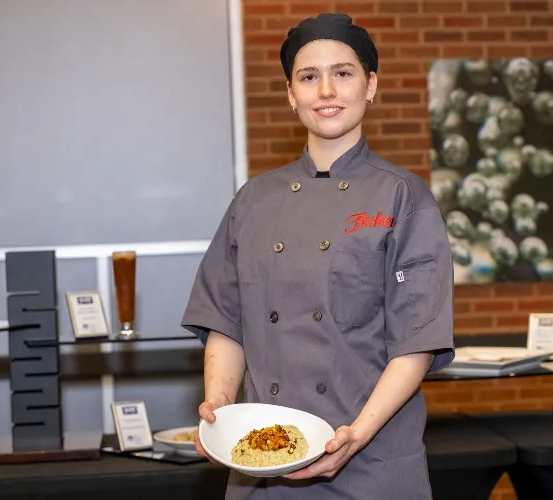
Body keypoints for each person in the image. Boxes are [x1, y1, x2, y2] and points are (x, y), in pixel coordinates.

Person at [181, 12, 455, 500]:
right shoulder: (253, 200)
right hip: (263, 463)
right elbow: (225, 319)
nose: (326, 90)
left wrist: (356, 434)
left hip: (371, 461)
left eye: (343, 73)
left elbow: (417, 341)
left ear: (371, 86)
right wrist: (220, 407)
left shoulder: (403, 197)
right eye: (309, 77)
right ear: (291, 94)